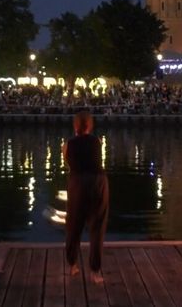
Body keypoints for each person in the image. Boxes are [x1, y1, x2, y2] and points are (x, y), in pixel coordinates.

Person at [63, 111, 110, 284]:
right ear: (90, 126)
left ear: (75, 126)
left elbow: (68, 163)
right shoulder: (97, 142)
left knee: (73, 224)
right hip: (98, 181)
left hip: (78, 182)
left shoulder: (69, 144)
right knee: (97, 226)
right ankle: (95, 271)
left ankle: (73, 264)